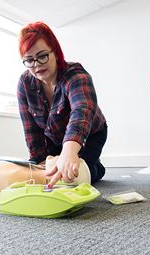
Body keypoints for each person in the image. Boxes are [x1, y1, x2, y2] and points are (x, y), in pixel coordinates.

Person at [17, 21, 108, 188]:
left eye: (42, 56)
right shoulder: (24, 84)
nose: (36, 64)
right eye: (29, 60)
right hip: (55, 139)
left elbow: (81, 112)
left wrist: (69, 152)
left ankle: (95, 166)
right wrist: (39, 162)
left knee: (74, 177)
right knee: (45, 173)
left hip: (90, 135)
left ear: (56, 53)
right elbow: (31, 131)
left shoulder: (76, 75)